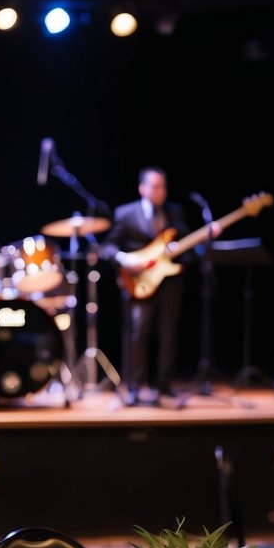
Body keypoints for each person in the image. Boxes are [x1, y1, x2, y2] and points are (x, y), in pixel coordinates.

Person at [100, 166, 193, 406]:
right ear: (142, 188)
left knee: (168, 334)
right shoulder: (126, 213)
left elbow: (187, 242)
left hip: (170, 280)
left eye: (163, 186)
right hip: (139, 281)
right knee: (138, 332)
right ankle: (133, 386)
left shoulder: (174, 212)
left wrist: (208, 234)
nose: (159, 191)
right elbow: (107, 247)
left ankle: (165, 385)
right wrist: (125, 258)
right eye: (154, 186)